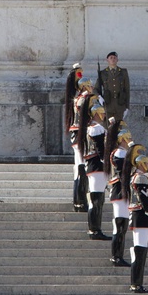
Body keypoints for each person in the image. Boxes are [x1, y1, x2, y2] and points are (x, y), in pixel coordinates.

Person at [122, 143, 148, 293]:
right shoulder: (140, 178)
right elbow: (144, 202)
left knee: (140, 251)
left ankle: (137, 282)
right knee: (140, 251)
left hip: (139, 217)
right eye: (147, 163)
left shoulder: (136, 177)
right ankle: (136, 283)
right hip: (141, 217)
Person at [77, 94, 111, 240]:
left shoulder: (90, 127)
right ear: (96, 113)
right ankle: (94, 229)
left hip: (93, 166)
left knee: (98, 198)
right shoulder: (96, 128)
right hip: (97, 165)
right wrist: (107, 162)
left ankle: (95, 228)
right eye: (102, 112)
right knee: (96, 198)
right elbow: (100, 149)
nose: (104, 115)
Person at [104, 117, 133, 267]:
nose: (130, 141)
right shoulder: (120, 153)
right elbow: (124, 173)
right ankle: (116, 256)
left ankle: (118, 254)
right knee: (120, 223)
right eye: (128, 138)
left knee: (122, 224)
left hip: (121, 190)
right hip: (119, 190)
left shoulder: (121, 153)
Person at [64, 64, 90, 212]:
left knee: (78, 168)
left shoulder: (75, 98)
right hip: (81, 135)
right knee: (81, 168)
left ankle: (78, 201)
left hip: (76, 135)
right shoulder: (82, 98)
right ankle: (80, 200)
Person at [95, 51, 130, 123]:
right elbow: (95, 89)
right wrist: (99, 97)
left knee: (119, 128)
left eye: (114, 58)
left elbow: (127, 89)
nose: (113, 59)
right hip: (108, 105)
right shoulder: (103, 73)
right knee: (109, 129)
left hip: (120, 105)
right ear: (107, 60)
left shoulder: (123, 72)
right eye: (111, 58)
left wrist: (127, 107)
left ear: (117, 60)